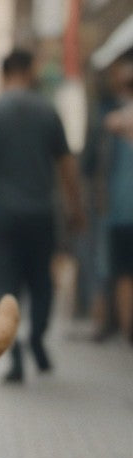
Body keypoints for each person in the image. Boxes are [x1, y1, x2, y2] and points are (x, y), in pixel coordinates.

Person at [0, 48, 84, 383]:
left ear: (4, 74)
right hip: (42, 213)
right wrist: (76, 209)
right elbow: (67, 166)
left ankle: (11, 353)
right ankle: (37, 338)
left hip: (1, 214)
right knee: (41, 282)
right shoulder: (48, 111)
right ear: (29, 71)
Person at [100, 56, 133, 344]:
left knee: (123, 273)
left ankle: (127, 331)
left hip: (122, 210)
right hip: (121, 209)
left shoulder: (115, 119)